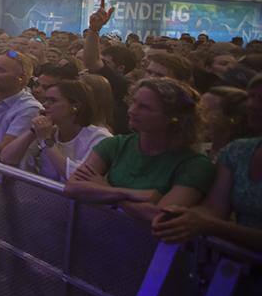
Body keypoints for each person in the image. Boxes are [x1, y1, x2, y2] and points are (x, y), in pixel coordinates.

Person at [64, 78, 214, 224]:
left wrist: (105, 188)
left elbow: (159, 216)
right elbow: (73, 187)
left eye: (144, 107)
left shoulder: (194, 164)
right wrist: (127, 193)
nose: (131, 110)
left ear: (173, 118)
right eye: (133, 102)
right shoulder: (115, 144)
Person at [152, 74, 262, 251]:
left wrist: (207, 224)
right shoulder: (238, 151)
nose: (252, 105)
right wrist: (177, 215)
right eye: (252, 97)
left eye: (261, 99)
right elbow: (214, 209)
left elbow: (210, 221)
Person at [1, 80, 111, 182]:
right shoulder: (49, 131)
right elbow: (7, 158)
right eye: (46, 100)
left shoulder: (100, 138)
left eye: (53, 101)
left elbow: (76, 177)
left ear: (75, 106)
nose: (45, 105)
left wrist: (46, 141)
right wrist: (33, 131)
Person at [82, 0, 134, 133]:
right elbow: (92, 62)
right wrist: (94, 30)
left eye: (107, 63)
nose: (101, 66)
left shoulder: (120, 84)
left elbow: (93, 62)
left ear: (121, 68)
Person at [199, 86, 250, 159]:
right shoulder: (197, 151)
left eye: (206, 110)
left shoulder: (243, 157)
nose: (199, 117)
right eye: (199, 110)